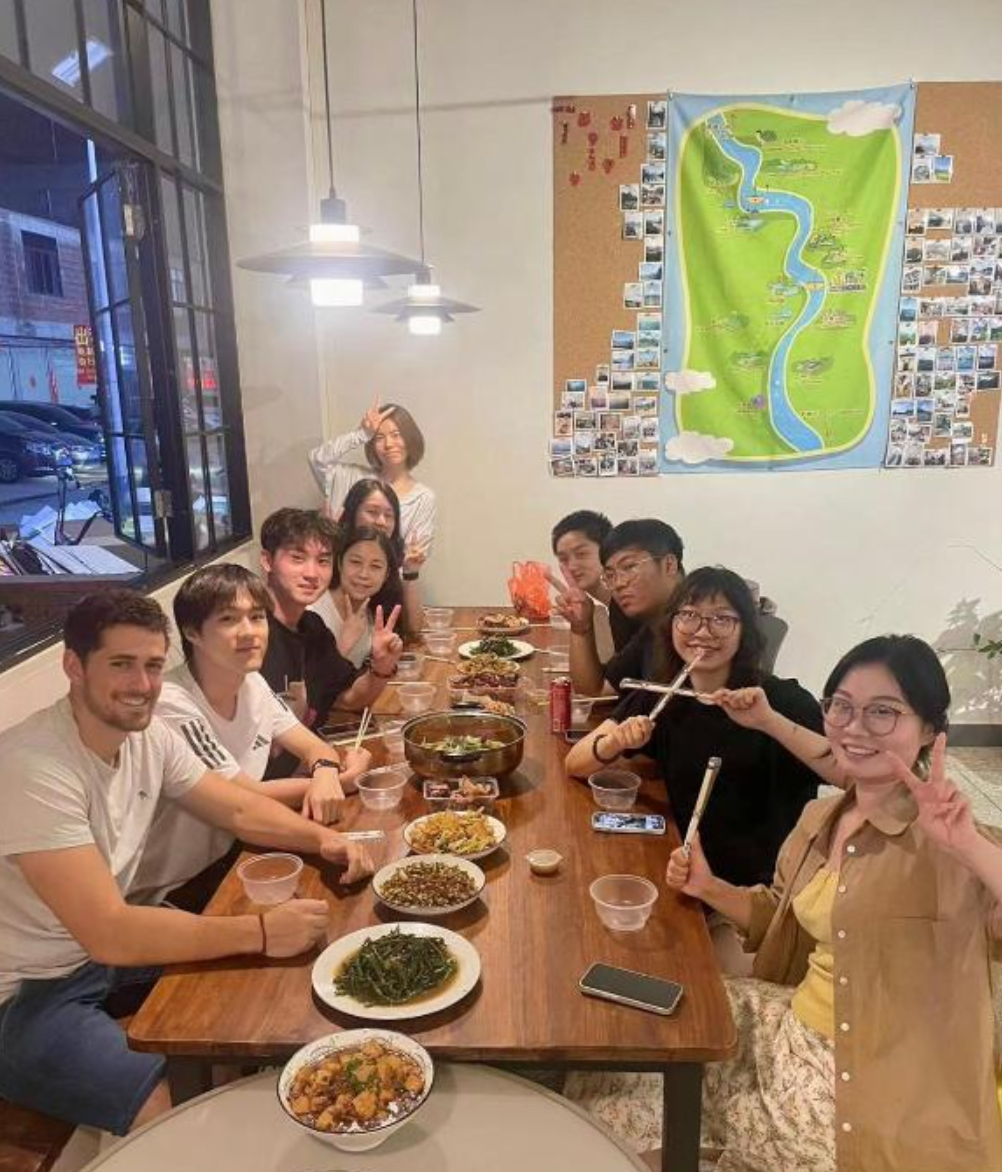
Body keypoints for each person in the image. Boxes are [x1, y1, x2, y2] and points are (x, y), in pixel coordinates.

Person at [569, 635, 1002, 1172]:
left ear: (931, 731)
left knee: (664, 1119)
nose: (854, 726)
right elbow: (781, 921)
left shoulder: (949, 844)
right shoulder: (821, 820)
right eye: (840, 706)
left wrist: (970, 847)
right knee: (624, 1063)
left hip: (868, 1077)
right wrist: (708, 887)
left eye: (883, 713)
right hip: (788, 1025)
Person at [0, 591, 371, 1135]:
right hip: (25, 995)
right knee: (179, 1108)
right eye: (121, 664)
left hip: (100, 958)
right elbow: (111, 932)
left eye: (152, 665)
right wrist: (263, 932)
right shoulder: (33, 767)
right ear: (73, 666)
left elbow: (240, 809)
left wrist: (324, 842)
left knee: (290, 983)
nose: (143, 684)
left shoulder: (148, 734)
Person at [565, 567, 822, 892]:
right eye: (688, 615)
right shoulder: (662, 696)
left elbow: (848, 776)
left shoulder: (783, 701)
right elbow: (575, 763)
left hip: (757, 894)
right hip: (683, 872)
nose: (702, 631)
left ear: (745, 630)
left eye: (722, 618)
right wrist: (614, 741)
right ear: (671, 624)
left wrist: (770, 722)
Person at [132, 564, 373, 908]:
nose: (250, 632)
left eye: (257, 617)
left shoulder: (251, 682)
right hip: (170, 892)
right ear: (192, 633)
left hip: (233, 855)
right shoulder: (172, 703)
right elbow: (243, 799)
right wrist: (344, 780)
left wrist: (324, 771)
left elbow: (311, 744)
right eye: (228, 619)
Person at [257, 509, 403, 780]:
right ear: (267, 561)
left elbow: (347, 699)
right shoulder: (252, 637)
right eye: (297, 558)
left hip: (309, 771)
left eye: (323, 561)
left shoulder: (312, 627)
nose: (312, 573)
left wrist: (381, 668)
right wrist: (334, 778)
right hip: (269, 793)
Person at [555, 518, 684, 698]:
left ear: (669, 565)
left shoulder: (699, 627)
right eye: (610, 575)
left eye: (629, 567)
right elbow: (594, 689)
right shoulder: (651, 629)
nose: (619, 584)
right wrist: (581, 629)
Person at [308, 396, 436, 555]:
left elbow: (414, 556)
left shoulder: (422, 498)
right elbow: (318, 459)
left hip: (388, 578)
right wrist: (361, 434)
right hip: (336, 575)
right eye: (379, 438)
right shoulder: (352, 478)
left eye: (396, 435)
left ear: (410, 439)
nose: (389, 444)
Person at [548, 510, 640, 662]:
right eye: (563, 559)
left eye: (581, 554)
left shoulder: (631, 605)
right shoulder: (610, 607)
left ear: (608, 550)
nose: (571, 566)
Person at [334, 478, 424, 633]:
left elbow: (413, 628)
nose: (382, 522)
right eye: (372, 512)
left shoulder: (390, 561)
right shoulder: (331, 557)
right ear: (351, 514)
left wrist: (411, 573)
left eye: (389, 515)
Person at [310, 527, 402, 668]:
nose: (364, 574)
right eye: (355, 562)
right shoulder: (313, 612)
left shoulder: (374, 610)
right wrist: (343, 645)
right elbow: (308, 684)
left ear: (386, 574)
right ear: (340, 563)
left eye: (375, 566)